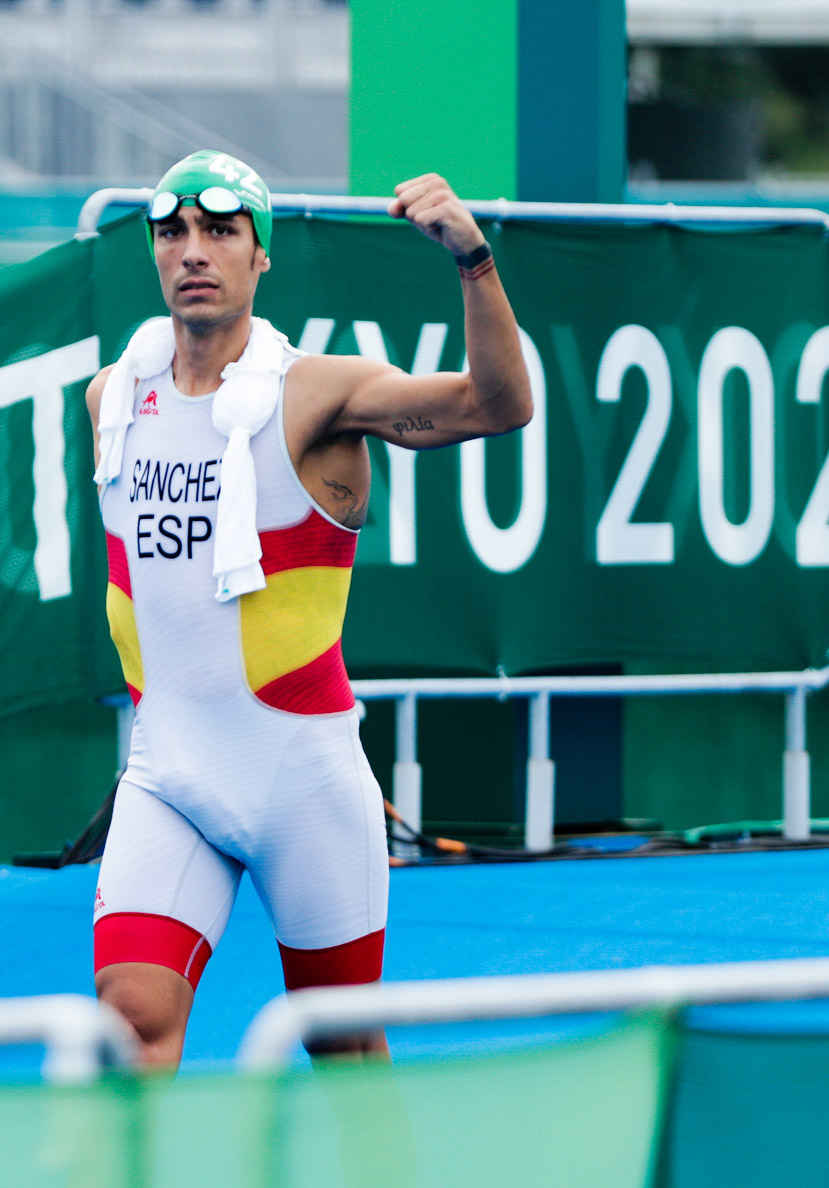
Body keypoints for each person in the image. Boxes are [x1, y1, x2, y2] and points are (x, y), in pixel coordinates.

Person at [86, 149, 531, 1066]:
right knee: (129, 1021)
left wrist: (472, 257)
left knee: (343, 1048)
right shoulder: (114, 397)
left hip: (300, 782)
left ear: (261, 257)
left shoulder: (320, 395)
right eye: (173, 232)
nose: (193, 250)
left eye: (221, 232)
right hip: (167, 776)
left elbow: (498, 405)